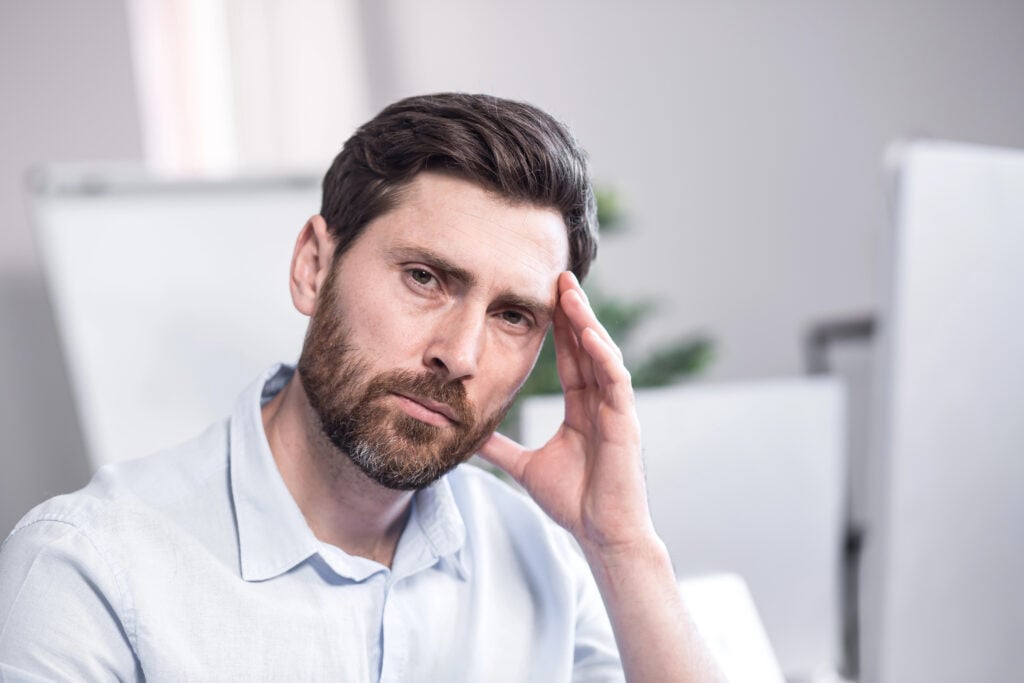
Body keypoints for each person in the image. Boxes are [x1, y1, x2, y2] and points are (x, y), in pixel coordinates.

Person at [0, 93, 722, 681]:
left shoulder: (543, 556)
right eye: (425, 277)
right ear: (314, 265)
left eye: (512, 315)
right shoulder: (85, 568)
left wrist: (623, 544)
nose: (459, 354)